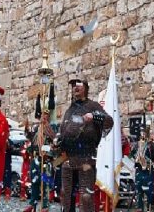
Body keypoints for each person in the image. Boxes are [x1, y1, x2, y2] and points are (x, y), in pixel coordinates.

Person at [58, 74, 113, 212]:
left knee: (86, 197)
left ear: (85, 88)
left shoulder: (93, 105)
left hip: (86, 157)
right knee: (65, 194)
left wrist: (94, 116)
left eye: (78, 84)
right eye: (73, 85)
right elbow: (63, 131)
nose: (75, 87)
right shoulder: (69, 110)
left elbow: (109, 121)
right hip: (68, 158)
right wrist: (57, 140)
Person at [24, 110, 55, 212]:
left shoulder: (51, 128)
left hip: (45, 160)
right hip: (35, 158)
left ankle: (45, 205)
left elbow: (54, 143)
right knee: (34, 182)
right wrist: (26, 127)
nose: (43, 117)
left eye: (46, 115)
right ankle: (33, 203)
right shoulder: (37, 128)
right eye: (42, 115)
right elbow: (30, 137)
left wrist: (45, 150)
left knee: (45, 182)